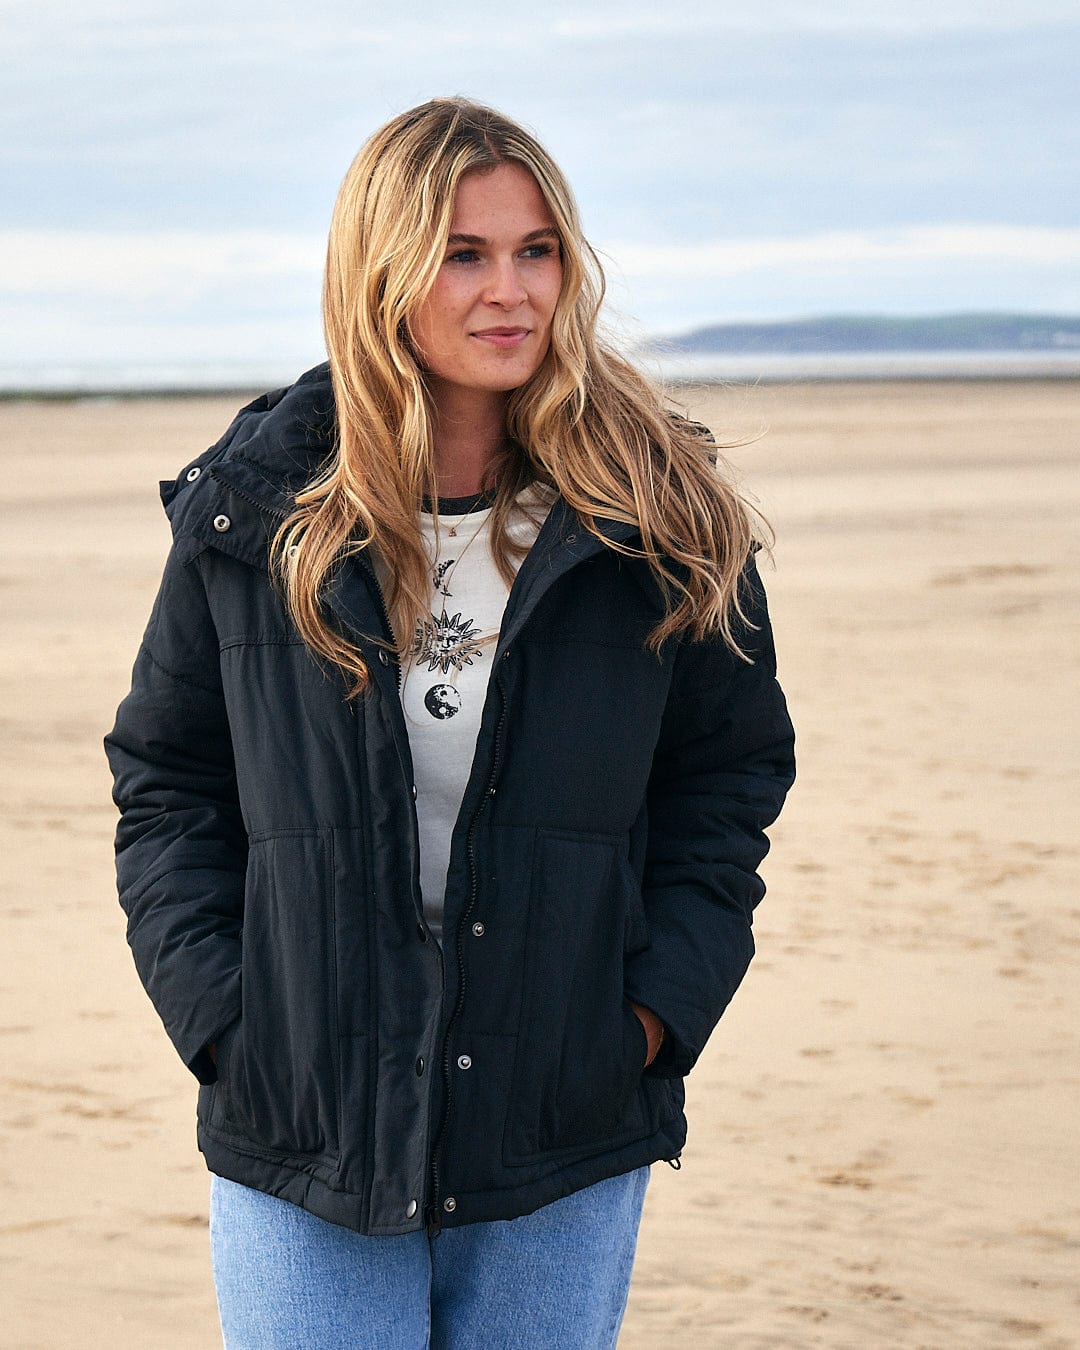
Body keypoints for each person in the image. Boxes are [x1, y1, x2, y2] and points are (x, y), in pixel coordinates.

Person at [105, 97, 795, 1349]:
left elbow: (730, 780)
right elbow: (166, 783)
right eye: (464, 255)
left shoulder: (660, 516)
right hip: (306, 1116)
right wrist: (224, 1025)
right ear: (382, 274)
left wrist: (646, 1020)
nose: (511, 290)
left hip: (558, 1118)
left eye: (537, 251)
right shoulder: (254, 516)